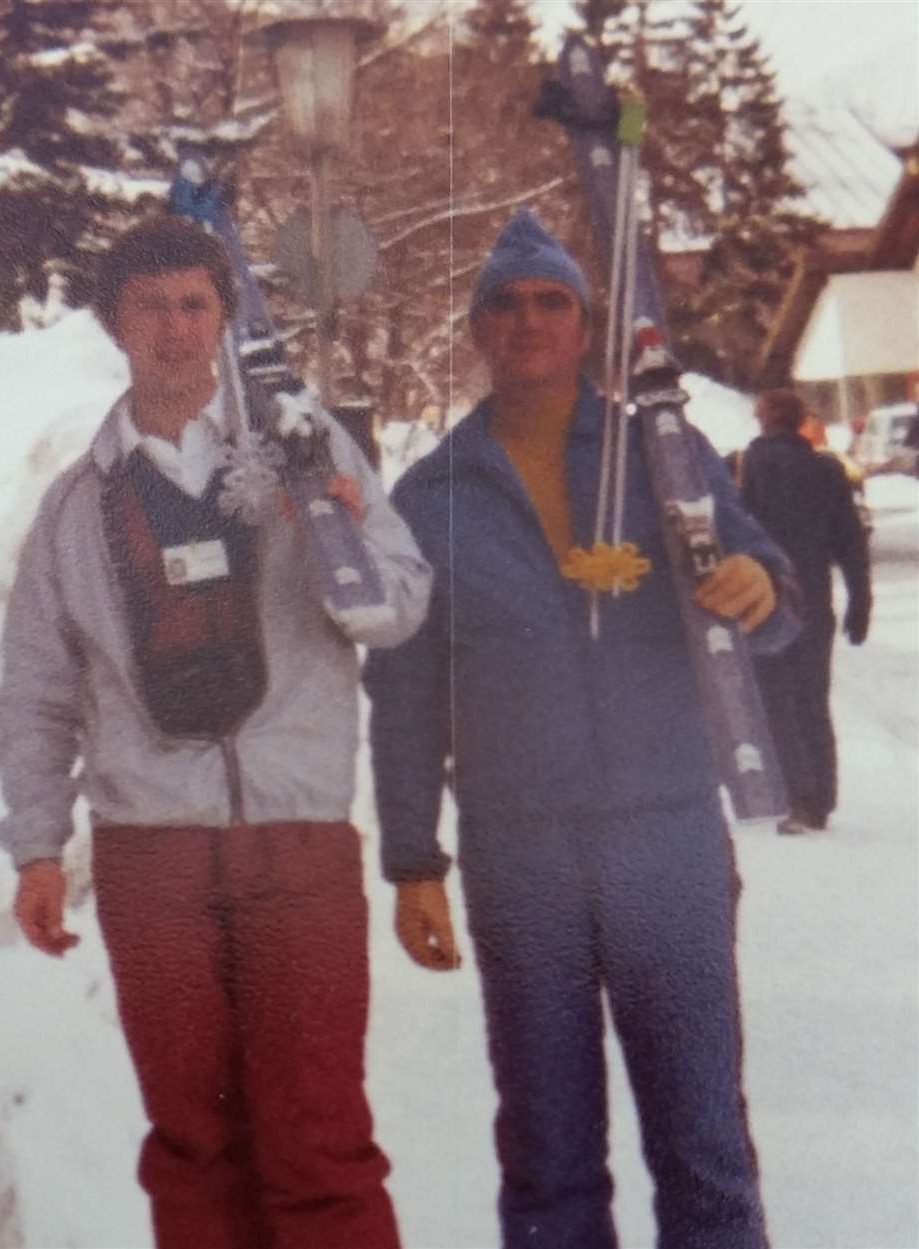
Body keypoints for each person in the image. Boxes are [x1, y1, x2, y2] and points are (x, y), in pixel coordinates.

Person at [0, 214, 432, 1249]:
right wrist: (37, 844)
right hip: (154, 855)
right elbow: (38, 690)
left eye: (195, 304)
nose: (175, 329)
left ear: (226, 318)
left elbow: (401, 607)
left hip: (297, 841)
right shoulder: (73, 508)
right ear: (114, 324)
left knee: (318, 1138)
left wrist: (339, 542)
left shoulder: (306, 454)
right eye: (151, 307)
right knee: (192, 1144)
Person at [364, 210, 800, 1249]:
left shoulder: (664, 451)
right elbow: (407, 687)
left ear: (584, 322)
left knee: (703, 1138)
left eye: (550, 300)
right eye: (504, 304)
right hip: (522, 852)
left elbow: (775, 605)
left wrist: (759, 589)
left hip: (668, 835)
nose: (526, 321)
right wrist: (413, 857)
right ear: (475, 329)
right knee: (548, 1150)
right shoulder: (433, 496)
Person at [741, 388, 872, 833]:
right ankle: (821, 795)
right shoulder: (828, 469)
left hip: (769, 596)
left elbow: (741, 528)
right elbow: (850, 541)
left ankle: (799, 798)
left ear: (763, 421)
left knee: (778, 698)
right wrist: (861, 600)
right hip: (815, 597)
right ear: (799, 422)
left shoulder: (752, 464)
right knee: (813, 698)